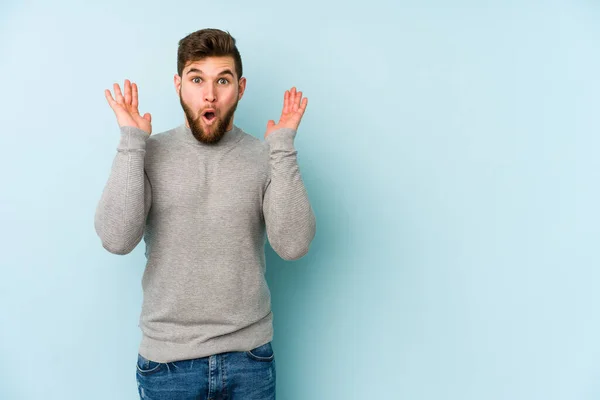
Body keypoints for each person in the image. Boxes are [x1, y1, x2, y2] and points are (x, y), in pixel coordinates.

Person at [94, 28, 316, 400]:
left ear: (240, 88)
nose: (209, 94)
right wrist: (132, 142)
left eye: (222, 80)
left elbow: (293, 245)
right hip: (167, 366)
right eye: (197, 79)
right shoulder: (147, 153)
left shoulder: (265, 156)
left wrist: (282, 147)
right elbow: (116, 240)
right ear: (179, 85)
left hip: (251, 361)